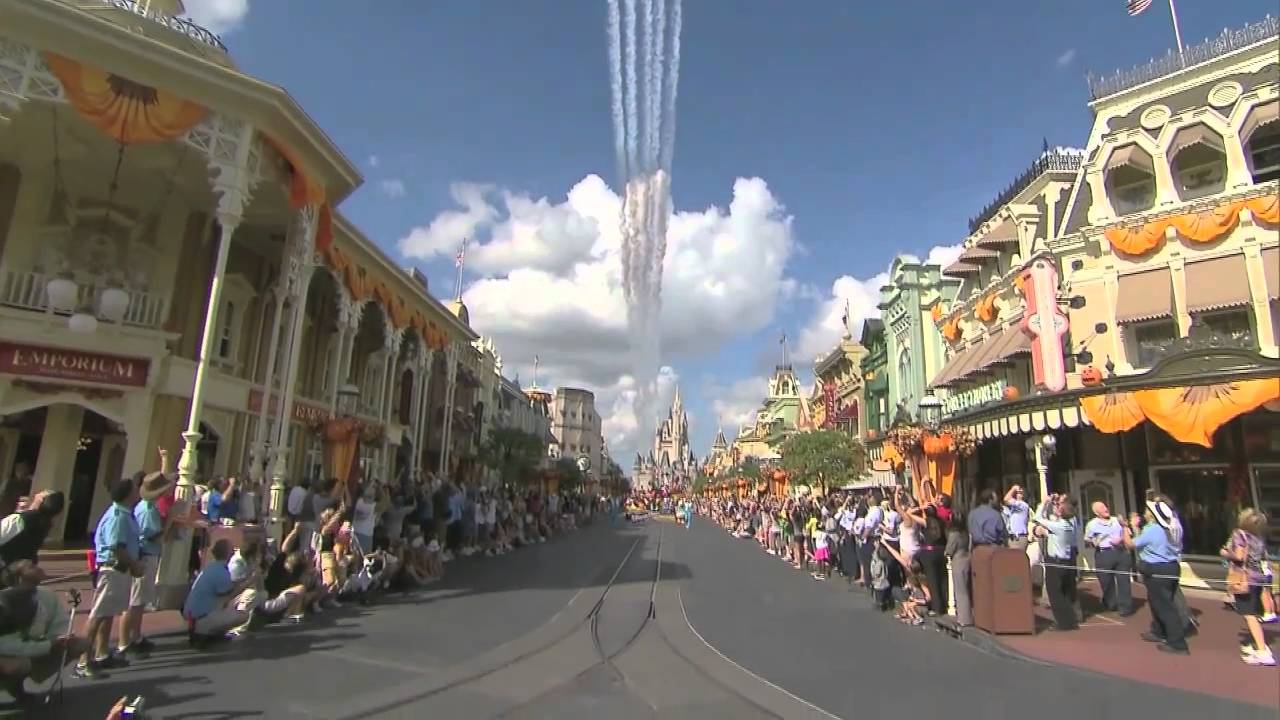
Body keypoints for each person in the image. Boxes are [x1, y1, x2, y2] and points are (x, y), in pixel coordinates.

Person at [78, 478, 144, 679]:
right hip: (112, 569)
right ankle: (82, 661)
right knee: (98, 615)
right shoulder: (118, 517)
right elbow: (117, 547)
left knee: (108, 613)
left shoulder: (125, 514)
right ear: (128, 494)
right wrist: (134, 565)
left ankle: (102, 653)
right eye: (135, 490)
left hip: (120, 571)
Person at [0, 560, 87, 705]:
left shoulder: (47, 595)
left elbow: (60, 623)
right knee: (19, 664)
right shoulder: (5, 602)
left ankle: (24, 682)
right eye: (31, 566)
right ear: (18, 576)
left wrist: (61, 638)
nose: (38, 568)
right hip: (12, 650)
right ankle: (12, 686)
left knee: (80, 644)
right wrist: (48, 645)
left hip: (32, 646)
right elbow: (5, 644)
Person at [117, 469, 171, 660]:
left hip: (148, 556)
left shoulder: (149, 507)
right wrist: (171, 518)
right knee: (134, 603)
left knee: (139, 602)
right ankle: (124, 643)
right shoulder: (147, 510)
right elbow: (155, 536)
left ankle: (136, 636)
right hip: (144, 556)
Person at [1125, 498, 1189, 655]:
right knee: (1156, 602)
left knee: (1165, 606)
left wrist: (1126, 528)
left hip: (1158, 569)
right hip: (1171, 566)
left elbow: (1131, 544)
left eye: (1148, 510)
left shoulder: (1154, 529)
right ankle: (1159, 631)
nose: (1145, 512)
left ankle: (1177, 643)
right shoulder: (1173, 526)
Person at [1223, 509, 1274, 666]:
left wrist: (1225, 552)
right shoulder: (1259, 538)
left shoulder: (1240, 534)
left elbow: (1238, 556)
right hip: (1258, 577)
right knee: (1253, 612)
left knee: (1249, 615)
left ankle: (1262, 652)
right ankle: (1259, 645)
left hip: (1245, 578)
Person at [183, 540, 253, 645]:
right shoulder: (221, 571)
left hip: (194, 615)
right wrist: (248, 582)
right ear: (229, 553)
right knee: (243, 615)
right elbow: (228, 594)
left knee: (226, 605)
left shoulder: (212, 567)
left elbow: (230, 585)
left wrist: (244, 579)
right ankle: (207, 632)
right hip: (201, 618)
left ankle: (211, 631)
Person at [1035, 494, 1080, 631]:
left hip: (1055, 562)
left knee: (1055, 594)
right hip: (1065, 560)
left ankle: (1063, 623)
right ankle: (1070, 620)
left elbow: (1038, 517)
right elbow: (1052, 534)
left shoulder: (1058, 525)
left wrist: (1044, 503)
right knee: (1065, 592)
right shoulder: (1069, 525)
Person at [1084, 500, 1133, 616]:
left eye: (1105, 506)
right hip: (1103, 554)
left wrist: (1120, 539)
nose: (1105, 509)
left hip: (1121, 552)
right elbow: (1087, 540)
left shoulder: (1117, 520)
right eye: (1101, 508)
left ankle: (1125, 608)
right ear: (1096, 513)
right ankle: (1111, 604)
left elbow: (1128, 533)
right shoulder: (1092, 524)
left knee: (1123, 580)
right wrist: (1092, 542)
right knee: (1106, 581)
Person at [0, 491, 66, 573]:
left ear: (41, 500)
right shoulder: (46, 522)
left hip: (7, 567)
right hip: (25, 568)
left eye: (43, 492)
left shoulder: (20, 519)